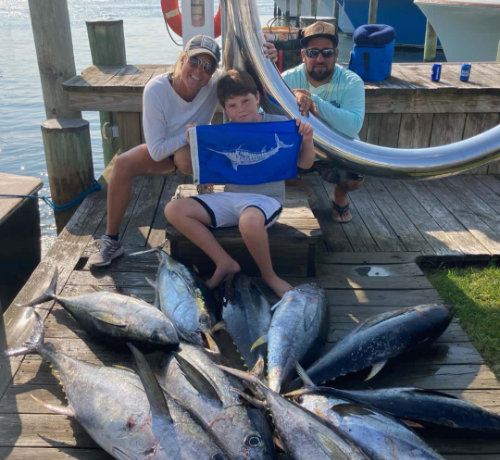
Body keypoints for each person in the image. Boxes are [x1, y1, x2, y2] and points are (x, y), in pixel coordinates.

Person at [89, 35, 277, 268]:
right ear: (182, 58)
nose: (200, 71)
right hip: (166, 147)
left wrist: (268, 58)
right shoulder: (155, 90)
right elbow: (157, 151)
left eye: (208, 66)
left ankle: (209, 195)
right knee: (122, 164)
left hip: (194, 149)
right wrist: (186, 135)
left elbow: (245, 80)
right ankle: (111, 240)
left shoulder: (214, 83)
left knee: (185, 158)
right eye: (195, 61)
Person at [164, 69, 315, 298]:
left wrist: (307, 138)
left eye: (245, 101)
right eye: (232, 105)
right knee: (173, 209)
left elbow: (304, 164)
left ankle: (269, 275)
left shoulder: (280, 124)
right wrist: (193, 140)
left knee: (250, 219)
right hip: (229, 198)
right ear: (225, 109)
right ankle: (224, 261)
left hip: (266, 200)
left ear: (257, 97)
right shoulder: (224, 131)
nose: (241, 109)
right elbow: (206, 170)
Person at [282, 21, 365, 223]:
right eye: (312, 53)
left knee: (355, 178)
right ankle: (297, 185)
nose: (320, 58)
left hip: (335, 150)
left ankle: (340, 194)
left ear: (336, 55)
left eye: (327, 53)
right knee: (275, 163)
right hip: (300, 149)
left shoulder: (352, 82)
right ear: (303, 55)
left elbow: (353, 126)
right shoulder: (286, 79)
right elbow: (263, 115)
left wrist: (314, 101)